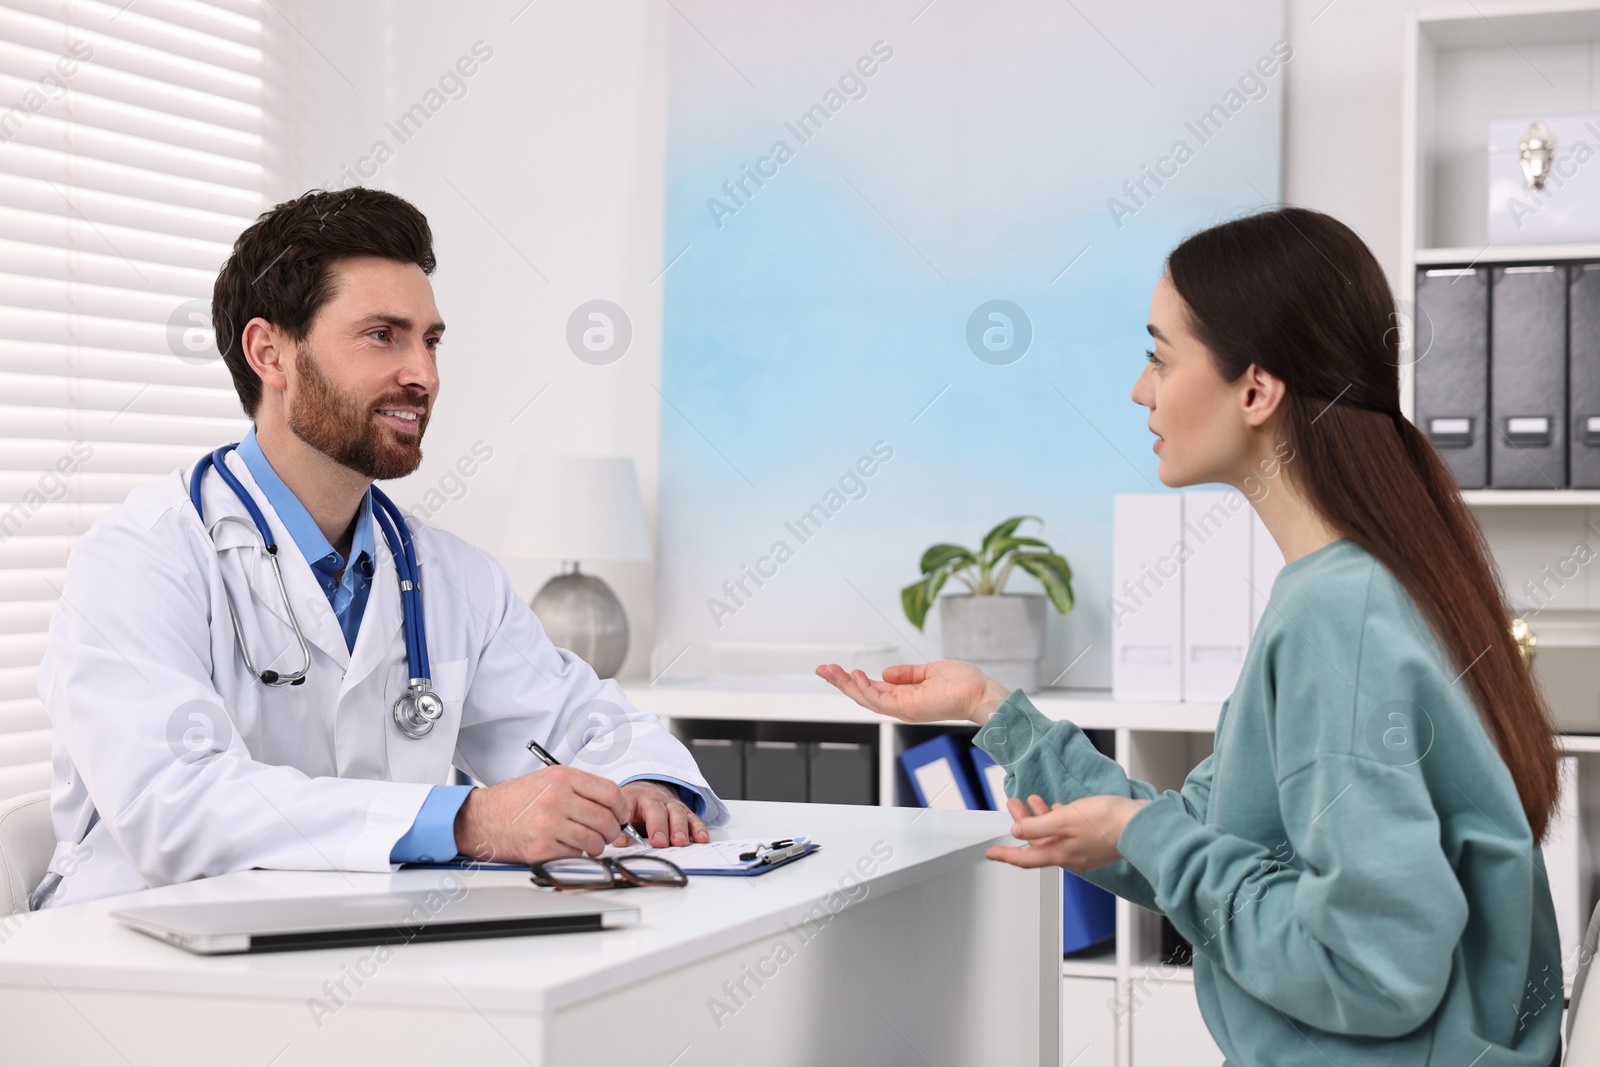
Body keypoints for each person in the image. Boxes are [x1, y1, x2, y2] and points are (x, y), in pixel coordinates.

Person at [819, 207, 1565, 1065]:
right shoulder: (1355, 586)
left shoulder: (1339, 614)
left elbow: (1373, 969)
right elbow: (1198, 835)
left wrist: (1149, 838)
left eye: (1158, 357)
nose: (1141, 390)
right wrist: (994, 712)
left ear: (1255, 388)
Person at [33, 188, 726, 909]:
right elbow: (172, 805)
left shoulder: (448, 577)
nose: (423, 374)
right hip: (136, 956)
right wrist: (464, 819)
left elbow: (576, 720)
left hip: (357, 947)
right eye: (382, 335)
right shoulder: (139, 560)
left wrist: (648, 784)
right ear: (270, 352)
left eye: (429, 340)